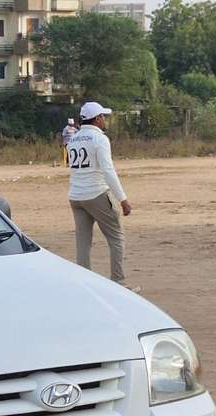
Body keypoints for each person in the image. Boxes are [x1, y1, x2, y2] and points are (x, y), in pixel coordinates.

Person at [67, 101, 135, 290]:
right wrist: (123, 199)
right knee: (116, 237)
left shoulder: (73, 139)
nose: (105, 120)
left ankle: (84, 285)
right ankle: (118, 282)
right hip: (96, 193)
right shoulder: (100, 139)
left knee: (83, 242)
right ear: (97, 119)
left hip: (76, 195)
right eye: (103, 116)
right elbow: (108, 171)